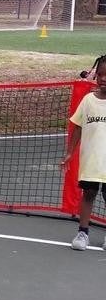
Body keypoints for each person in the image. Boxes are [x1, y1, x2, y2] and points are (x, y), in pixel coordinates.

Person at [62, 55, 106, 250]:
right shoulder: (88, 100)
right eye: (101, 74)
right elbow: (78, 127)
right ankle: (82, 233)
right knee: (88, 194)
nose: (104, 79)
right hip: (91, 161)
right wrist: (70, 152)